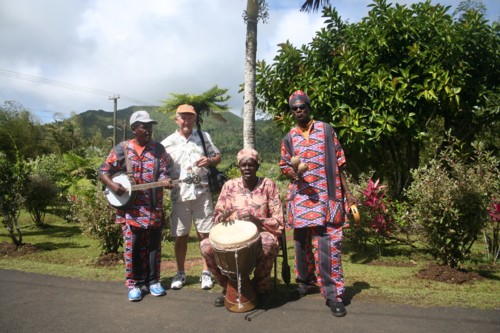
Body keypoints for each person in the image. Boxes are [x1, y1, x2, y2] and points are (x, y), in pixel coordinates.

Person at [280, 90, 356, 317]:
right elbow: (284, 167)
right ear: (291, 112)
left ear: (309, 108)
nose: (299, 110)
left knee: (328, 246)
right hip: (302, 199)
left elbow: (340, 162)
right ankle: (305, 283)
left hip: (326, 197)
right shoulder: (289, 137)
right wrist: (291, 172)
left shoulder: (326, 129)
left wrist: (348, 192)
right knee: (301, 243)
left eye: (302, 106)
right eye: (294, 108)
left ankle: (334, 295)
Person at [99, 110, 175, 302]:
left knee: (153, 248)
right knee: (132, 247)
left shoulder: (158, 149)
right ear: (134, 129)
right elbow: (104, 171)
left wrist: (165, 180)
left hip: (153, 209)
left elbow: (164, 172)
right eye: (144, 127)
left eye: (150, 126)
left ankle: (153, 281)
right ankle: (134, 284)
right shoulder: (121, 149)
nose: (148, 130)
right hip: (131, 211)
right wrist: (113, 186)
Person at [200, 148, 284, 307]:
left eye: (251, 165)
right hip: (232, 235)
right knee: (205, 247)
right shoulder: (229, 186)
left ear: (257, 166)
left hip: (261, 233)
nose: (247, 168)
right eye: (243, 165)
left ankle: (259, 289)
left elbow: (278, 222)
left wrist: (257, 220)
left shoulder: (268, 185)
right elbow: (216, 217)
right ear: (238, 167)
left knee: (268, 244)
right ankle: (230, 288)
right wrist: (223, 216)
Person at [161, 104, 221, 290]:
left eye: (190, 117)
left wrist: (210, 160)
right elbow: (161, 168)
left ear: (195, 119)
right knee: (181, 236)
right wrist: (164, 179)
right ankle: (180, 273)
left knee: (205, 235)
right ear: (176, 119)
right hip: (179, 195)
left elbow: (218, 156)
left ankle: (206, 273)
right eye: (183, 117)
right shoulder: (167, 143)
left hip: (202, 192)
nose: (186, 121)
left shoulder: (204, 137)